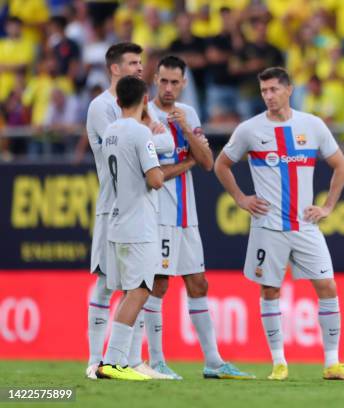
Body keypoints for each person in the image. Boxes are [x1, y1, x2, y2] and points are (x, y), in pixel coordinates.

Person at [214, 66, 344, 381]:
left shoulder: (312, 125)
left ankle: (332, 363)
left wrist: (329, 206)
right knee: (270, 290)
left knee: (328, 287)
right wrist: (241, 198)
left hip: (305, 225)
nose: (268, 96)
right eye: (264, 91)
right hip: (268, 226)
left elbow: (341, 166)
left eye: (274, 89)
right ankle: (279, 362)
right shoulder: (250, 129)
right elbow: (221, 164)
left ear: (289, 90)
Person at [144, 55, 254, 380]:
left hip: (186, 215)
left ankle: (214, 362)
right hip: (158, 214)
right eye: (163, 81)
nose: (167, 87)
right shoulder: (144, 116)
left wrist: (186, 132)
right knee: (158, 285)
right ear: (154, 80)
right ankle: (156, 360)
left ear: (184, 83)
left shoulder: (188, 113)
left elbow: (208, 161)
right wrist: (187, 161)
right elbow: (154, 173)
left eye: (174, 82)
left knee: (198, 283)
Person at [85, 42, 174, 380]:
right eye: (133, 62)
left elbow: (158, 143)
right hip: (117, 208)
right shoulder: (100, 108)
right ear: (114, 68)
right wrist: (150, 130)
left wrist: (150, 128)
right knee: (114, 285)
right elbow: (157, 150)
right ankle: (101, 360)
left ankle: (129, 360)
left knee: (129, 287)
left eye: (140, 62)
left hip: (124, 210)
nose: (139, 67)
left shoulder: (118, 122)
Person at [96, 75, 164, 380]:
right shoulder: (140, 133)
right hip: (138, 225)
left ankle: (117, 362)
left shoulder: (110, 131)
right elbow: (155, 179)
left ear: (118, 101)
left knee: (128, 292)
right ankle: (112, 362)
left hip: (116, 220)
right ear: (145, 99)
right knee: (139, 292)